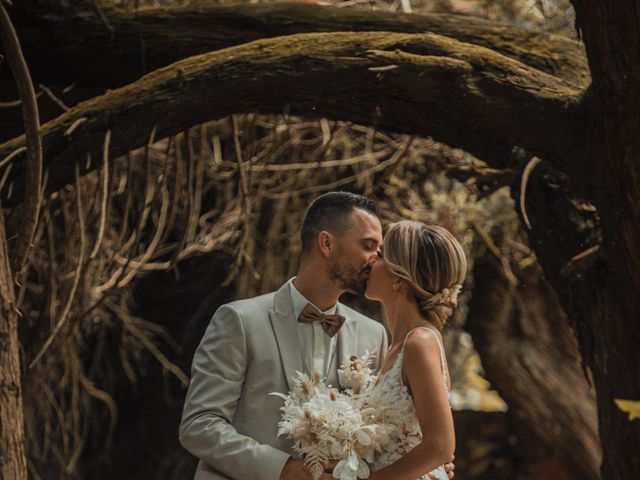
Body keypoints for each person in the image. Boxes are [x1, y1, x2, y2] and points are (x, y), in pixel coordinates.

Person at [179, 192, 454, 480]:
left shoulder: (374, 335)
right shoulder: (239, 321)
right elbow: (199, 425)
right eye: (368, 246)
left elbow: (392, 430)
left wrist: (427, 465)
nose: (375, 260)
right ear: (327, 243)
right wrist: (280, 469)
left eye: (381, 251)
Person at [363, 221, 467, 480]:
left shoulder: (419, 343)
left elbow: (441, 446)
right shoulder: (398, 345)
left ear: (398, 278)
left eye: (381, 255)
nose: (371, 260)